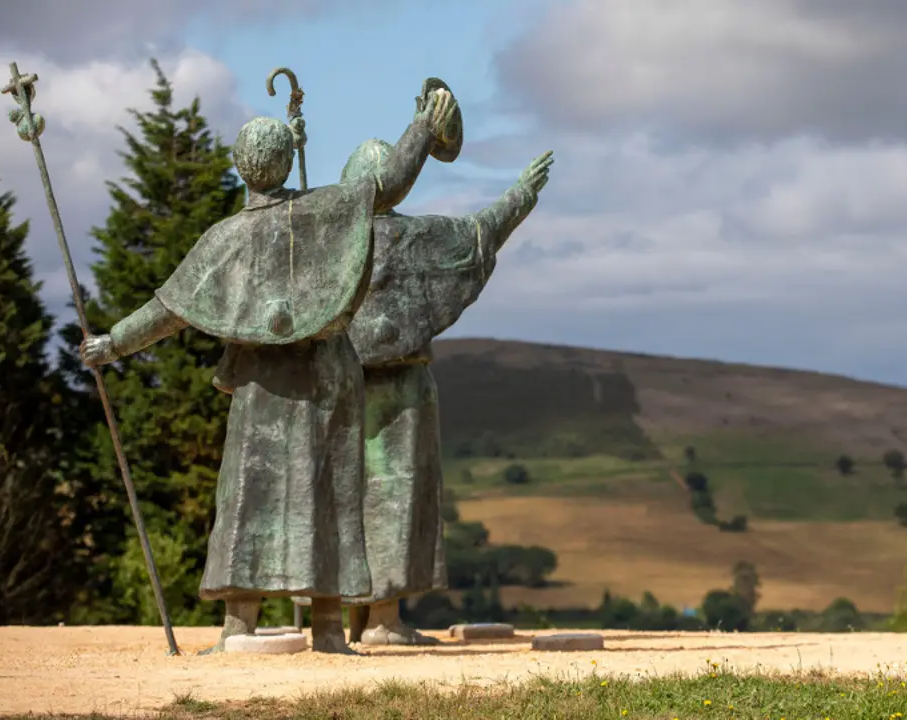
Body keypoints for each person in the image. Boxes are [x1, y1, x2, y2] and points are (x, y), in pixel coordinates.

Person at [79, 87, 460, 654]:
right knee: (328, 492)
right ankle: (329, 632)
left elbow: (166, 313)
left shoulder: (226, 239)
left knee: (250, 494)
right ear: (285, 163)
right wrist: (424, 129)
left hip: (266, 381)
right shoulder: (320, 213)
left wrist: (110, 344)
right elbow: (388, 185)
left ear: (241, 168)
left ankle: (241, 629)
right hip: (329, 375)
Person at [340, 149, 553, 645]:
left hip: (337, 385)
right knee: (392, 493)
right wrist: (521, 193)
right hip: (400, 388)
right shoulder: (412, 239)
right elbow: (479, 236)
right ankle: (385, 621)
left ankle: (351, 620)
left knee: (346, 496)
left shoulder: (324, 238)